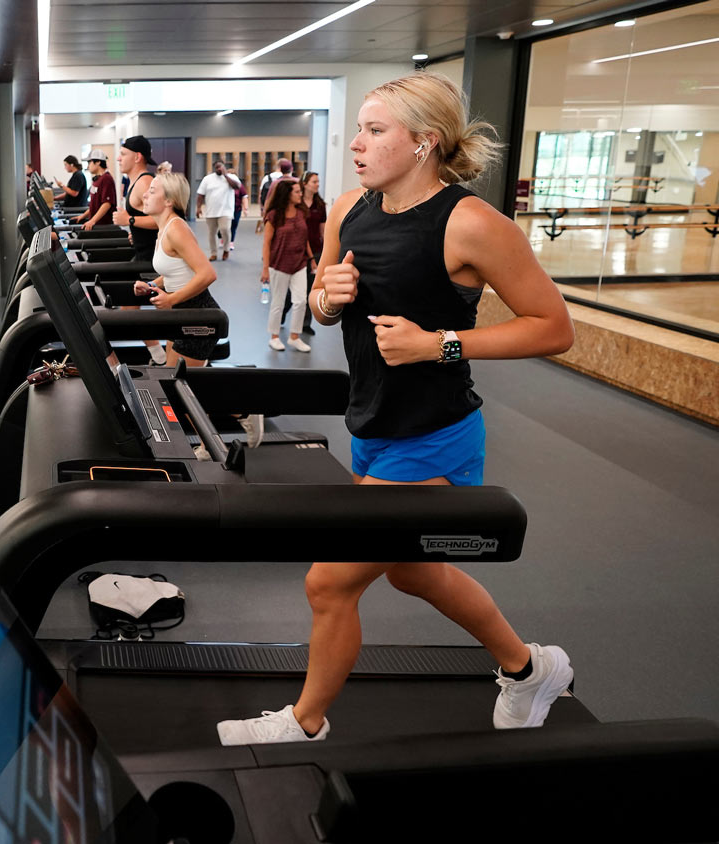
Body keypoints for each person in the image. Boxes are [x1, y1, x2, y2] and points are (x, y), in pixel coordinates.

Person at [216, 72, 576, 747]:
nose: (355, 143)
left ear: (423, 143)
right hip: (373, 424)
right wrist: (329, 296)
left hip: (436, 432)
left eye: (374, 130)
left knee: (329, 581)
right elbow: (322, 304)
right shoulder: (351, 208)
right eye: (359, 129)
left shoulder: (469, 222)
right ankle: (529, 668)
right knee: (415, 571)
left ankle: (305, 723)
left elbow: (553, 326)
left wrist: (440, 343)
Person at [131, 172, 224, 369]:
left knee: (176, 384)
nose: (144, 195)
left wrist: (170, 299)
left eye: (152, 191)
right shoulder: (164, 228)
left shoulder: (176, 229)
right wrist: (151, 285)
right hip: (180, 312)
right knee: (170, 374)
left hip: (198, 316)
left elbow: (208, 274)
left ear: (168, 201)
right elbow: (176, 270)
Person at [111, 135, 166, 366]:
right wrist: (137, 230)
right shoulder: (136, 182)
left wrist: (129, 220)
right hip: (143, 252)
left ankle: (163, 357)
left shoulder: (144, 182)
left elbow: (161, 221)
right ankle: (159, 356)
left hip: (154, 259)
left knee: (131, 311)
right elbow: (147, 220)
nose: (118, 158)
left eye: (122, 154)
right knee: (129, 310)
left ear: (137, 157)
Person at [260, 178, 313, 353]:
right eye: (297, 192)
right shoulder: (274, 215)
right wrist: (265, 269)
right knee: (278, 302)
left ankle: (294, 337)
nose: (300, 194)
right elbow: (266, 243)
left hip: (299, 263)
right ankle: (273, 337)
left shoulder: (301, 213)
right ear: (287, 195)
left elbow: (304, 239)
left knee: (301, 301)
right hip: (279, 264)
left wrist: (312, 259)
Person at [283, 170, 326, 337]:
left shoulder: (320, 205)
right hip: (296, 250)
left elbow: (323, 230)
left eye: (318, 182)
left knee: (309, 288)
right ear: (305, 183)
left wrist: (324, 252)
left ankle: (305, 323)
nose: (317, 185)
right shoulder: (297, 203)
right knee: (292, 287)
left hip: (314, 250)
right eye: (314, 182)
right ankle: (281, 314)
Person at [196, 160, 240, 260]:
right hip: (211, 211)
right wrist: (198, 208)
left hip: (226, 211)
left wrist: (226, 175)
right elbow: (200, 194)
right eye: (217, 167)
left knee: (225, 229)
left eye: (220, 167)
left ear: (224, 167)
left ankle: (226, 249)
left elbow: (237, 187)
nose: (219, 169)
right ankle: (214, 253)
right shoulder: (207, 179)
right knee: (212, 233)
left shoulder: (232, 177)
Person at [72, 151, 116, 230]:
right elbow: (94, 205)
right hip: (95, 224)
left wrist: (92, 221)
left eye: (89, 163)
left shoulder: (106, 179)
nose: (88, 166)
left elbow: (107, 204)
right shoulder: (97, 179)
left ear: (98, 162)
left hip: (103, 226)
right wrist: (82, 216)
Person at [257, 156, 296, 230]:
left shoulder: (267, 178)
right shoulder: (292, 179)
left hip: (271, 209)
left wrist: (262, 210)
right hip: (288, 210)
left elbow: (261, 195)